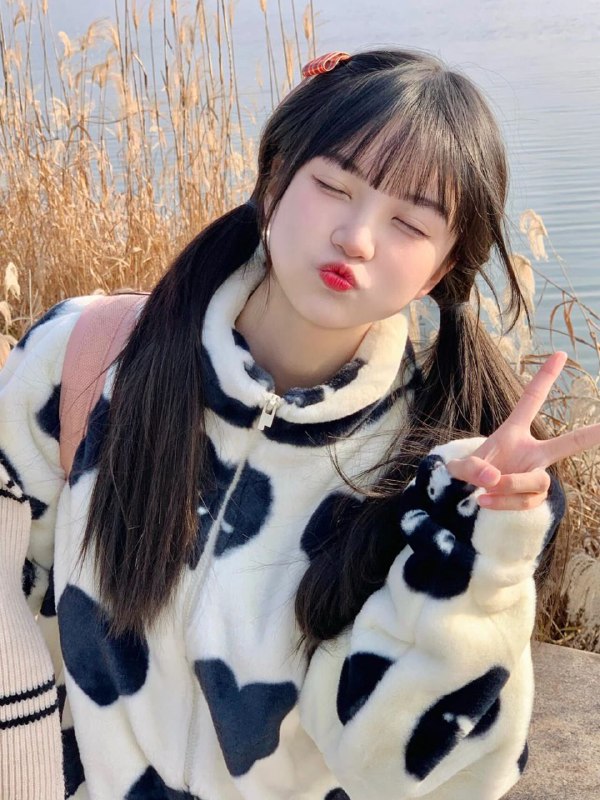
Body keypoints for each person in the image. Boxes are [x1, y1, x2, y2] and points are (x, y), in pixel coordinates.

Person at [0, 47, 598, 800]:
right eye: (333, 186)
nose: (357, 238)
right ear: (275, 177)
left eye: (410, 223)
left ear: (443, 269)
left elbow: (398, 771)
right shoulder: (87, 359)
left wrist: (477, 563)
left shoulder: (424, 470)